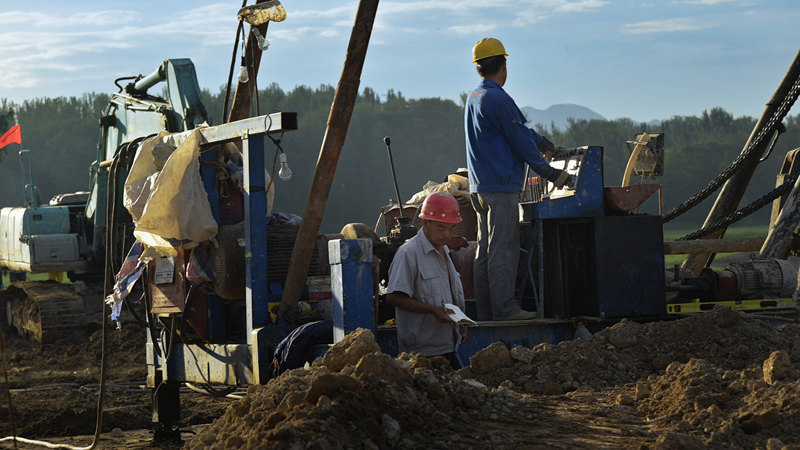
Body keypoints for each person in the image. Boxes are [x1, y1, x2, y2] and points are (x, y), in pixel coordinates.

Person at [465, 37, 571, 321]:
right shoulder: (499, 98)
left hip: (479, 186)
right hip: (500, 187)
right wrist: (550, 172)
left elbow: (518, 131)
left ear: (478, 67)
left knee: (485, 251)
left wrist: (545, 144)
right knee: (503, 249)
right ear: (504, 65)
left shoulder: (475, 96)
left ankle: (487, 313)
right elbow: (520, 140)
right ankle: (505, 310)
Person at [386, 192, 469, 369]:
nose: (447, 234)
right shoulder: (409, 253)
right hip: (421, 353)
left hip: (447, 345)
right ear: (425, 223)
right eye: (441, 228)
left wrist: (458, 323)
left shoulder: (444, 250)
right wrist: (433, 310)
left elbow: (447, 291)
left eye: (452, 228)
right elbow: (393, 297)